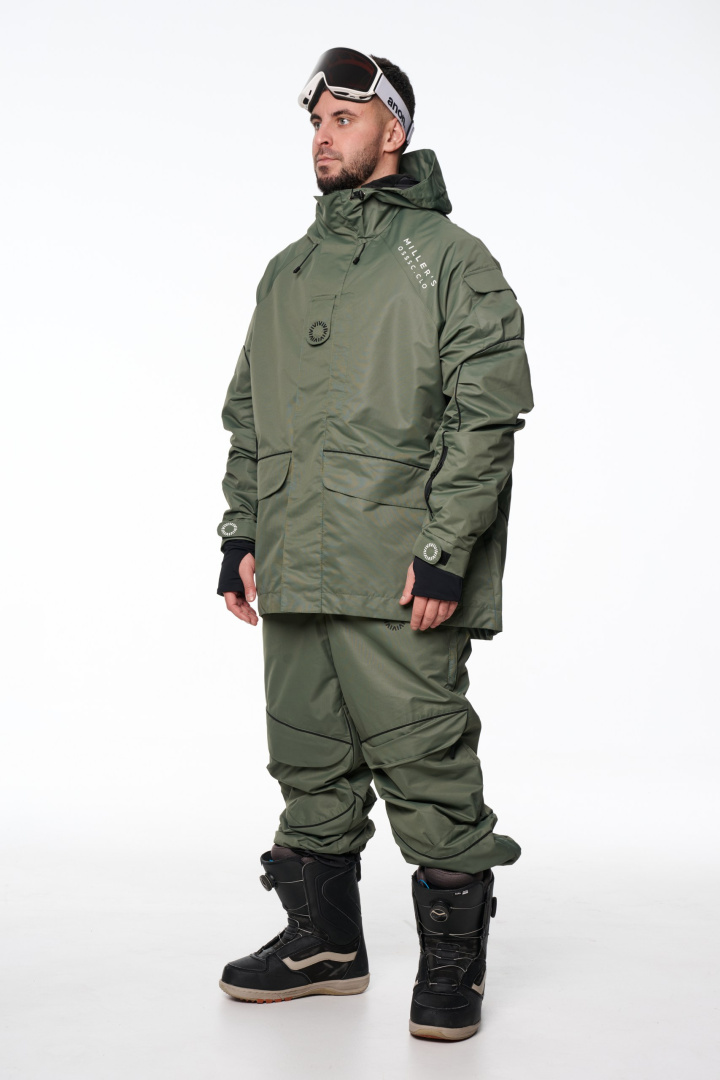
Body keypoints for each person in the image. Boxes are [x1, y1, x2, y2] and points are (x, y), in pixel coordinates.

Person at [214, 47, 534, 1041]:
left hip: (398, 568)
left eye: (344, 118)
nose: (323, 137)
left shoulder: (448, 258)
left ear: (392, 130)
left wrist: (445, 549)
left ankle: (452, 966)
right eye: (316, 121)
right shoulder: (288, 270)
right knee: (305, 758)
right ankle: (324, 945)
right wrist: (241, 532)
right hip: (295, 564)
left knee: (425, 760)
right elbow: (250, 412)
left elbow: (485, 414)